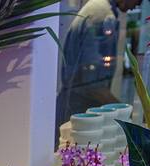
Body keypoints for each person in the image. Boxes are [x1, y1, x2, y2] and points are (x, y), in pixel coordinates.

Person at [56, 0, 142, 131]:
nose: (139, 4)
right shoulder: (102, 16)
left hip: (75, 108)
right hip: (79, 112)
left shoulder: (97, 8)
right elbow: (94, 85)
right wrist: (130, 115)